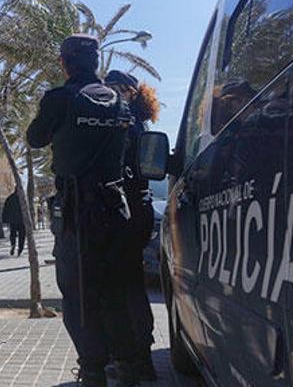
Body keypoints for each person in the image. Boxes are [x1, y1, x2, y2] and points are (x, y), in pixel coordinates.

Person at [26, 34, 140, 387]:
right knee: (117, 290)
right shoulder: (120, 103)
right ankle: (127, 366)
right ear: (97, 62)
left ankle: (93, 371)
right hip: (117, 210)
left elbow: (34, 138)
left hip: (78, 213)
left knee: (79, 294)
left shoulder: (60, 99)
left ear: (65, 63)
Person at [105, 70, 160, 381]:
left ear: (128, 91)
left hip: (127, 212)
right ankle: (141, 356)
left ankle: (134, 357)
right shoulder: (139, 123)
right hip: (139, 210)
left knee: (123, 287)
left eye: (114, 88)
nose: (109, 93)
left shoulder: (127, 125)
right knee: (132, 284)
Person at [2, 189, 25, 256]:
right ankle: (20, 248)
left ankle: (13, 245)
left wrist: (5, 219)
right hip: (21, 220)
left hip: (12, 220)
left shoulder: (10, 198)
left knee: (13, 234)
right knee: (22, 235)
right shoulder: (22, 198)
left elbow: (5, 208)